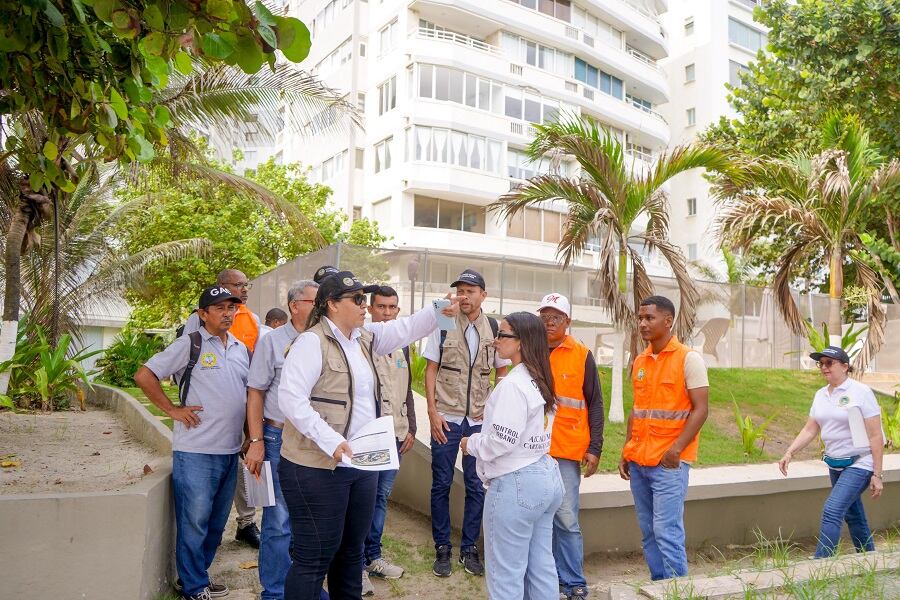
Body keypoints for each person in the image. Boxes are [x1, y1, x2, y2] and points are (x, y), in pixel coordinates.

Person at [277, 271, 460, 600]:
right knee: (315, 558)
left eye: (365, 299)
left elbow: (404, 328)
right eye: (358, 300)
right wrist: (330, 440)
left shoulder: (364, 338)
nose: (366, 306)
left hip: (361, 466)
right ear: (332, 305)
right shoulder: (310, 342)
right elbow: (290, 399)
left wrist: (438, 310)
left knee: (350, 555)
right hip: (317, 467)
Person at [135, 286, 251, 600]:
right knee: (195, 522)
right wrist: (172, 409)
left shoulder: (241, 348)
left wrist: (247, 436)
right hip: (196, 451)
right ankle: (194, 587)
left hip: (229, 451)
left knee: (215, 525)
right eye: (220, 308)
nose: (228, 313)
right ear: (203, 314)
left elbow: (245, 398)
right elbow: (144, 375)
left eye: (232, 308)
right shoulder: (190, 343)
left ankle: (195, 578)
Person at [461, 312, 563, 600]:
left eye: (503, 335)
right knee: (541, 565)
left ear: (521, 342)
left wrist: (471, 443)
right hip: (545, 476)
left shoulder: (513, 384)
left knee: (506, 574)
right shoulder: (539, 377)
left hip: (517, 483)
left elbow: (500, 441)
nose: (496, 340)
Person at [423, 268, 510, 577]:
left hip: (477, 420)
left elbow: (501, 370)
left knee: (476, 484)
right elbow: (430, 369)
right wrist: (432, 413)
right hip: (446, 417)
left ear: (482, 295)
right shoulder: (444, 318)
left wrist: (493, 407)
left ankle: (469, 547)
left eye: (470, 290)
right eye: (460, 289)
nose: (463, 295)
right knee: (441, 483)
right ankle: (442, 547)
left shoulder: (495, 326)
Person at [618, 295, 708, 581]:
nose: (642, 323)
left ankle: (677, 591)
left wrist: (676, 449)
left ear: (667, 321)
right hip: (640, 461)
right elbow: (637, 410)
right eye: (640, 318)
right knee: (648, 532)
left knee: (667, 531)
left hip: (669, 463)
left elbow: (701, 409)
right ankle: (660, 586)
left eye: (649, 318)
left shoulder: (688, 359)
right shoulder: (641, 360)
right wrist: (626, 449)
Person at [244, 281, 322, 600]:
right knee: (277, 519)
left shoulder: (323, 341)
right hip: (277, 437)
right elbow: (255, 392)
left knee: (312, 519)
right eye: (315, 301)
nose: (322, 306)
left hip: (316, 439)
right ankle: (275, 592)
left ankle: (305, 588)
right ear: (294, 305)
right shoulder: (272, 342)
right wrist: (257, 440)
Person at [778, 345, 884, 558]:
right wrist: (790, 452)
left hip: (859, 462)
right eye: (821, 363)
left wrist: (877, 474)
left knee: (832, 510)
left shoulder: (861, 392)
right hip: (835, 463)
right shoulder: (820, 395)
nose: (824, 367)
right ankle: (869, 558)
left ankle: (822, 563)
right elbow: (810, 429)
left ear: (845, 367)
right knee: (853, 515)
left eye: (829, 363)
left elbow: (875, 436)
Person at [184, 268, 262, 548]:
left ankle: (247, 522)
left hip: (244, 409)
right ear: (222, 285)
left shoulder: (252, 319)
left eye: (246, 284)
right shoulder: (197, 320)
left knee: (249, 467)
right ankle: (203, 544)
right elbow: (184, 363)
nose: (245, 289)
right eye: (239, 285)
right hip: (208, 422)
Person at [537, 293, 604, 600]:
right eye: (544, 317)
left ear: (568, 322)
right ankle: (547, 581)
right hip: (533, 451)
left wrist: (595, 447)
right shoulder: (530, 351)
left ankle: (574, 583)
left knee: (566, 518)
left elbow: (594, 403)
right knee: (540, 518)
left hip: (565, 453)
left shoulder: (581, 354)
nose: (549, 323)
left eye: (555, 318)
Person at [361, 286, 418, 595]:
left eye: (391, 307)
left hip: (397, 436)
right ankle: (354, 565)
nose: (386, 312)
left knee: (381, 499)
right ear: (370, 309)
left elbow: (406, 388)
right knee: (362, 502)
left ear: (398, 311)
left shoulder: (403, 345)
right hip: (370, 438)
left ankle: (373, 557)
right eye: (380, 307)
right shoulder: (360, 341)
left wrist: (412, 427)